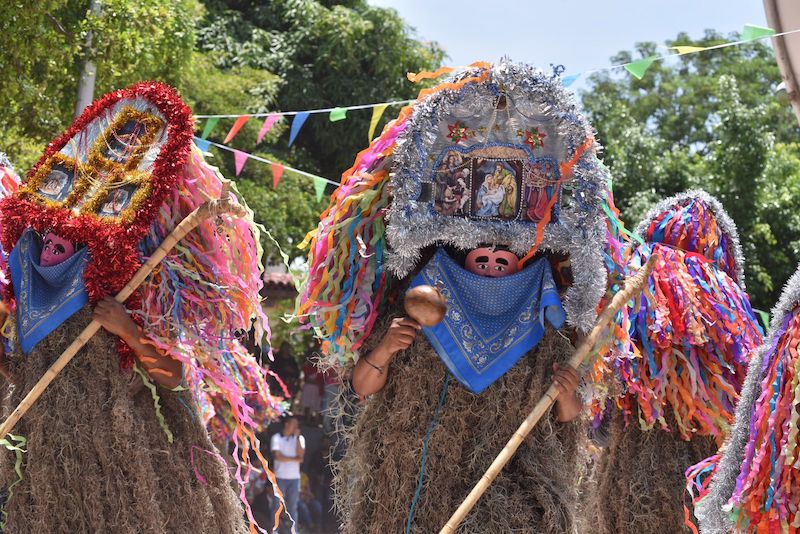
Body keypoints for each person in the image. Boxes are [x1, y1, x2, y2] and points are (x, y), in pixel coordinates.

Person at [299, 61, 617, 533]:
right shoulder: (412, 316)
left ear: (526, 265)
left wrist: (569, 393)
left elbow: (568, 418)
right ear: (458, 255)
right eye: (480, 257)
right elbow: (363, 387)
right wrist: (386, 348)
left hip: (513, 489)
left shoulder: (544, 331)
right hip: (412, 490)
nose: (489, 265)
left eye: (502, 259)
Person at [271, 415, 305, 530]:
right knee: (276, 506)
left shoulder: (300, 438)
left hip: (294, 479)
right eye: (294, 424)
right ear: (287, 424)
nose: (296, 427)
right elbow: (277, 457)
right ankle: (274, 530)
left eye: (297, 425)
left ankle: (293, 531)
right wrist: (294, 459)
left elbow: (301, 455)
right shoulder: (276, 438)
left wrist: (297, 438)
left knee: (292, 507)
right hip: (279, 477)